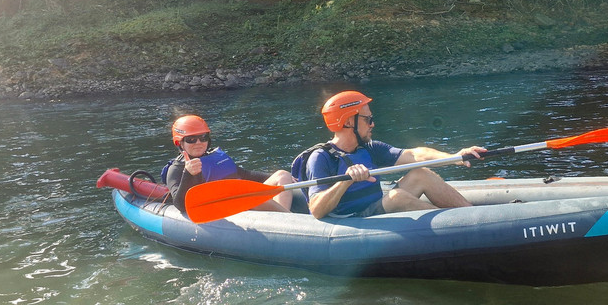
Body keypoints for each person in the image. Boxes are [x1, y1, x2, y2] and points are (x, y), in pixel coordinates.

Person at [293, 90, 487, 220]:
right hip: (353, 220)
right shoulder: (321, 157)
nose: (372, 124)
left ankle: (473, 217)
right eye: (368, 119)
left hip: (375, 207)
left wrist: (456, 156)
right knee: (396, 197)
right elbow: (317, 210)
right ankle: (455, 225)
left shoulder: (370, 148)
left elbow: (415, 155)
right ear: (348, 122)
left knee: (421, 173)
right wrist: (345, 181)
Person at [163, 115, 295, 217]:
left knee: (283, 175)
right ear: (179, 143)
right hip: (220, 208)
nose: (199, 142)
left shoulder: (214, 158)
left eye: (203, 137)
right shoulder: (176, 169)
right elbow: (180, 205)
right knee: (253, 197)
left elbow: (245, 175)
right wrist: (188, 173)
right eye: (191, 139)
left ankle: (283, 220)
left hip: (239, 198)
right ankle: (292, 222)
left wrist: (283, 178)